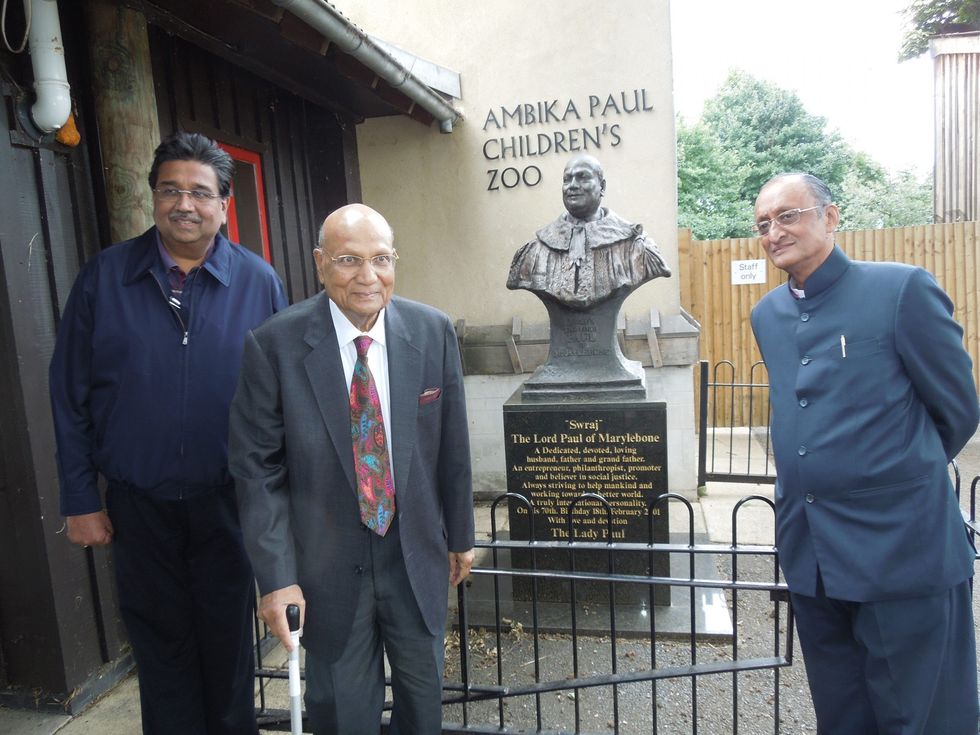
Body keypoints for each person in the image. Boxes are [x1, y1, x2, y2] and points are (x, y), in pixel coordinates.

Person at [49, 131, 287, 734]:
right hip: (137, 506)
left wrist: (281, 507)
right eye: (171, 190)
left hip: (227, 503)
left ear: (223, 204)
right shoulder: (105, 278)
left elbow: (281, 405)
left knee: (230, 651)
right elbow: (69, 395)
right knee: (161, 655)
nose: (185, 203)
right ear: (153, 198)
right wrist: (81, 499)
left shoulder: (258, 284)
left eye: (200, 193)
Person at [229, 203, 475, 734]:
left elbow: (452, 444)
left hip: (415, 559)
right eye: (348, 260)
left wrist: (461, 535)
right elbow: (257, 473)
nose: (368, 276)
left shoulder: (432, 332)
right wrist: (277, 580)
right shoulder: (274, 345)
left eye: (380, 259)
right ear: (320, 264)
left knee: (423, 705)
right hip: (326, 570)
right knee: (342, 714)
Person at [750, 172, 980, 734]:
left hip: (902, 552)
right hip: (813, 556)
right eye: (762, 224)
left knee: (922, 718)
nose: (774, 232)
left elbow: (957, 409)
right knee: (843, 715)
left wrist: (889, 476)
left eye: (788, 215)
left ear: (830, 217)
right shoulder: (767, 315)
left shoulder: (902, 289)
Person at [506, 154, 670, 309]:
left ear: (602, 186)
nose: (573, 185)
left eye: (583, 177)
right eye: (567, 179)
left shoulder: (637, 248)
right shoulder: (534, 252)